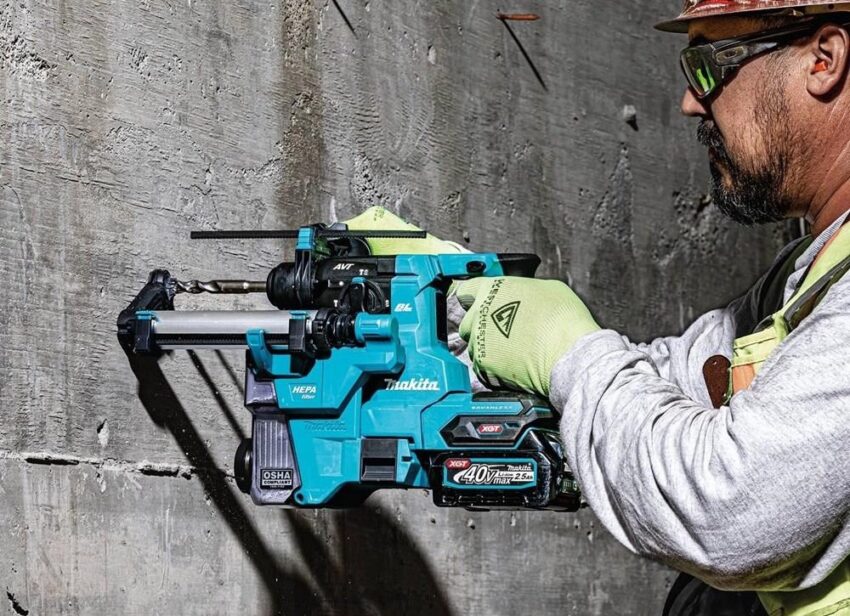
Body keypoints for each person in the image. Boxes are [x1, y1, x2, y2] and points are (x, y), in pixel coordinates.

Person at [346, 1, 850, 614]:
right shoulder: (812, 273)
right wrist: (459, 308)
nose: (691, 102)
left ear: (824, 59)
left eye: (707, 65)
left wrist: (563, 350)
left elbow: (731, 509)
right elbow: (672, 383)